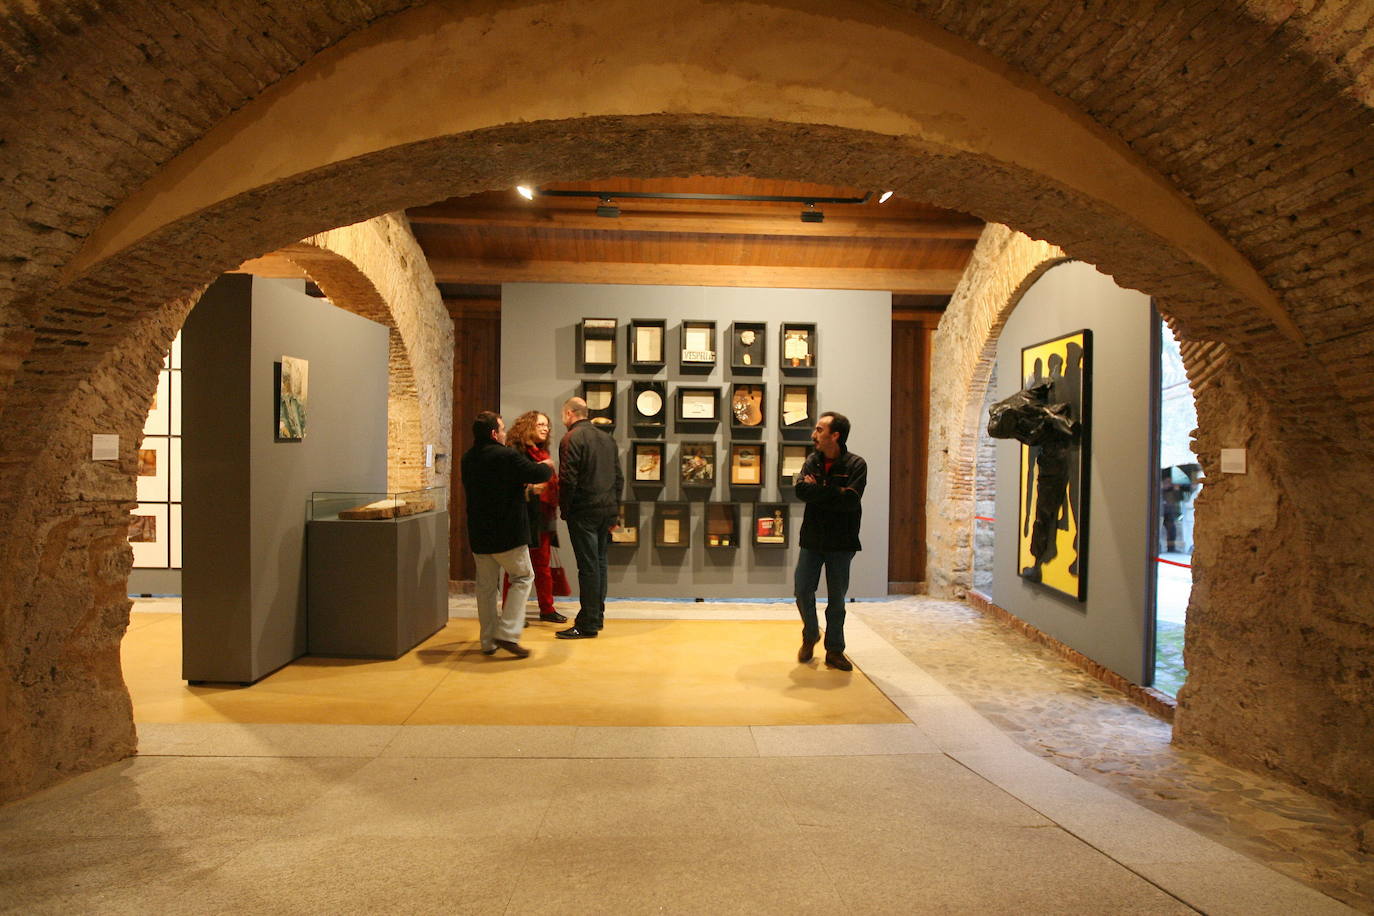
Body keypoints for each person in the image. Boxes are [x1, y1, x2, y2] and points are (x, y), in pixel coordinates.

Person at [460, 410, 553, 658]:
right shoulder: (505, 455)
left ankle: (487, 641)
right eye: (501, 429)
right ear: (493, 433)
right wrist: (547, 465)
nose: (504, 432)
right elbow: (537, 473)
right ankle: (508, 632)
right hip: (508, 533)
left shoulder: (467, 458)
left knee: (486, 588)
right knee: (523, 576)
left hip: (479, 534)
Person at [794, 411, 867, 671]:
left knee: (837, 600)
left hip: (842, 542)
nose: (814, 435)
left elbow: (850, 501)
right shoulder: (812, 461)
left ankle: (835, 651)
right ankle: (811, 633)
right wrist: (832, 492)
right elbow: (800, 490)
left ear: (835, 435)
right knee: (802, 590)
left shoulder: (857, 465)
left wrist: (819, 490)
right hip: (812, 539)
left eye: (819, 430)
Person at [555, 396, 623, 639]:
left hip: (584, 511)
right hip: (606, 511)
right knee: (600, 564)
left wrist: (565, 509)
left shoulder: (571, 438)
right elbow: (618, 478)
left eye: (563, 415)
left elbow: (568, 479)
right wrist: (615, 510)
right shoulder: (607, 439)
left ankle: (587, 624)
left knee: (588, 567)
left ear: (570, 414)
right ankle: (597, 616)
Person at [503, 410, 567, 623]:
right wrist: (531, 489)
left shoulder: (542, 454)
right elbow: (508, 486)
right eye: (540, 424)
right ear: (528, 425)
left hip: (542, 517)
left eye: (547, 425)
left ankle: (547, 609)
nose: (545, 428)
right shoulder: (514, 453)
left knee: (543, 566)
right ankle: (512, 612)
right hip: (522, 517)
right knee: (515, 567)